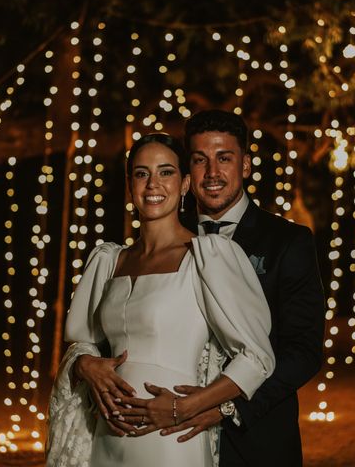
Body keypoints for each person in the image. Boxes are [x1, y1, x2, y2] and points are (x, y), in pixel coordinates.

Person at [47, 133, 275, 467]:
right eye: (142, 173)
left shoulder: (209, 257)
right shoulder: (108, 261)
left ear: (184, 184)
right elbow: (83, 343)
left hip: (170, 438)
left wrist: (184, 408)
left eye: (165, 172)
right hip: (107, 436)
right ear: (130, 184)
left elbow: (257, 357)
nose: (153, 183)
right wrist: (86, 365)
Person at [124, 110, 326, 466]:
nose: (212, 173)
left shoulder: (288, 242)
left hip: (255, 438)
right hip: (167, 439)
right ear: (188, 172)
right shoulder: (165, 237)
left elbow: (303, 351)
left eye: (225, 158)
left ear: (245, 165)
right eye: (200, 160)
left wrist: (225, 407)